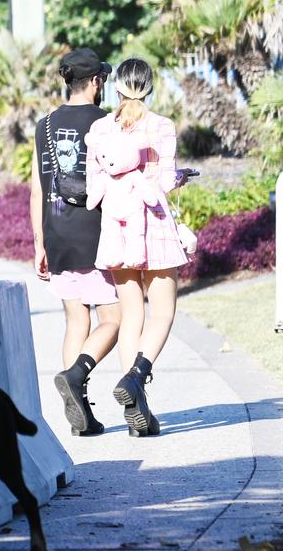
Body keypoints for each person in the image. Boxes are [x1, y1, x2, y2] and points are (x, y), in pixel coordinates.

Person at [84, 58, 188, 438]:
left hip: (116, 229)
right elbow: (162, 181)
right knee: (162, 312)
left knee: (131, 315)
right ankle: (137, 376)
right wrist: (179, 179)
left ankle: (136, 408)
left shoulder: (99, 129)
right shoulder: (161, 127)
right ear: (149, 86)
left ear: (117, 88)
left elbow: (94, 184)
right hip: (154, 227)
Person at [30, 48, 121, 437]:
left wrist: (39, 243)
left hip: (57, 233)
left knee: (75, 319)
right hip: (95, 233)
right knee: (112, 320)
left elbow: (37, 188)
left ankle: (79, 412)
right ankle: (76, 375)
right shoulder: (106, 123)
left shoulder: (44, 124)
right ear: (97, 81)